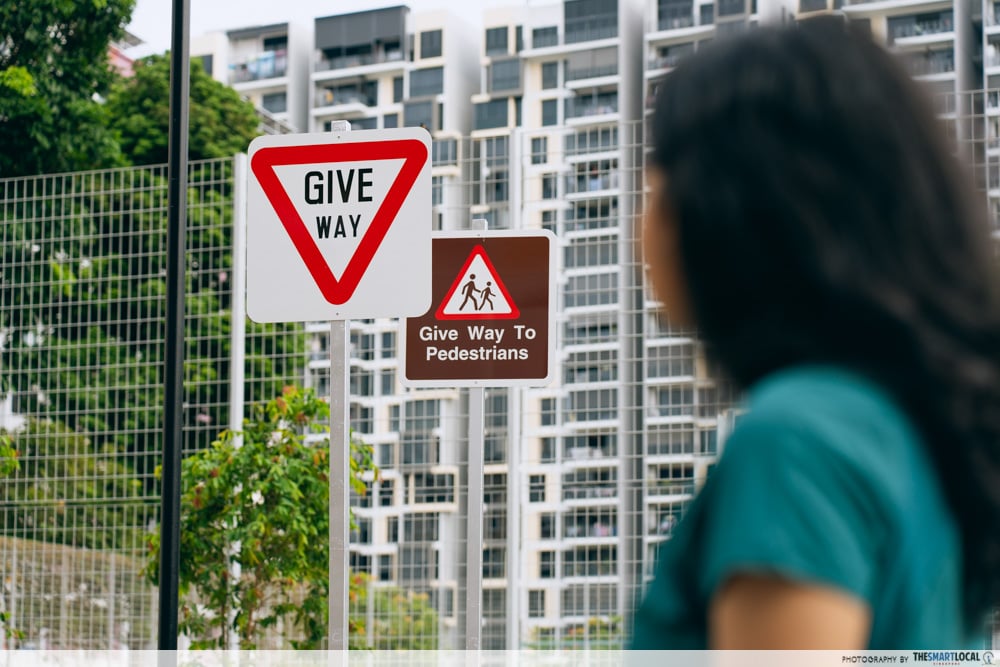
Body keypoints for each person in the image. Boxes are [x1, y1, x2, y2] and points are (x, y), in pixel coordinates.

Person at [632, 17, 1000, 649]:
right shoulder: (913, 433)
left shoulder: (798, 441)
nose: (644, 212)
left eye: (657, 175)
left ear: (734, 205)